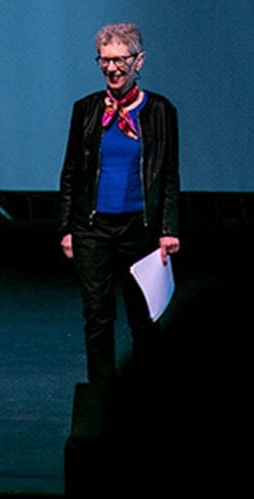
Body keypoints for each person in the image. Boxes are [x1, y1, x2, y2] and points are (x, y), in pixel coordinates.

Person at [58, 23, 180, 384]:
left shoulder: (159, 110)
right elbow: (71, 171)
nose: (111, 68)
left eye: (120, 60)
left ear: (138, 61)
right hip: (93, 229)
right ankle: (102, 401)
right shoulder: (86, 110)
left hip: (139, 229)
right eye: (104, 60)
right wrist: (66, 227)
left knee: (143, 318)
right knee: (97, 317)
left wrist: (168, 229)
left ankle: (147, 396)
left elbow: (169, 174)